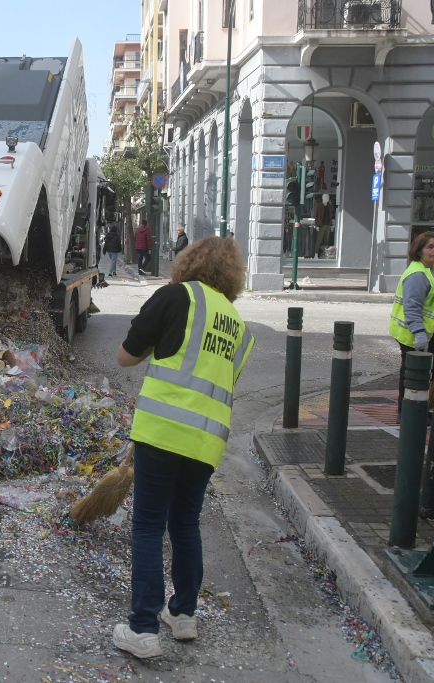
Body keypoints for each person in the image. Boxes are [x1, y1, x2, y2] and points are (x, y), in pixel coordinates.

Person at [112, 236, 254, 660]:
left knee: (148, 526)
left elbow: (125, 357)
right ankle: (184, 614)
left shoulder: (177, 296)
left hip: (163, 432)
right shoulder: (239, 325)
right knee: (186, 524)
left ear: (188, 262)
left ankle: (142, 629)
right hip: (207, 440)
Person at [389, 231, 434, 415]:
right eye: (430, 247)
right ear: (419, 250)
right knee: (413, 375)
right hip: (417, 336)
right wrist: (419, 334)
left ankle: (419, 411)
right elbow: (412, 307)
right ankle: (407, 414)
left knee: (428, 374)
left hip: (432, 334)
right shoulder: (417, 274)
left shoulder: (432, 270)